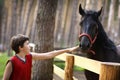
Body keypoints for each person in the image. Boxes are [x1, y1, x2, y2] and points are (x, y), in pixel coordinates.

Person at [3, 34, 79, 80]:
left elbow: (49, 55)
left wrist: (68, 49)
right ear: (20, 47)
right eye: (27, 44)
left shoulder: (29, 56)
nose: (29, 46)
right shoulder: (12, 62)